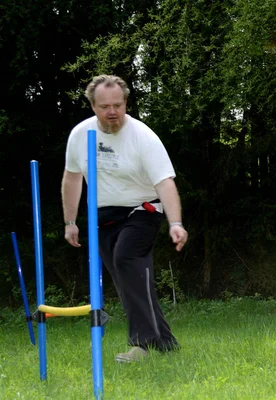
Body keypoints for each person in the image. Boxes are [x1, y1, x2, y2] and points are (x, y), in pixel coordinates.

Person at [61, 74, 188, 363]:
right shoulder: (81, 135)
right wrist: (70, 222)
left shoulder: (143, 136)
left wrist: (176, 223)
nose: (112, 112)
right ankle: (165, 343)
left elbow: (165, 182)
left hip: (143, 210)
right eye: (105, 106)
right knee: (127, 278)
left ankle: (140, 345)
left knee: (126, 259)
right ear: (93, 105)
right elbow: (72, 178)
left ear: (126, 102)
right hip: (104, 214)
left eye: (118, 104)